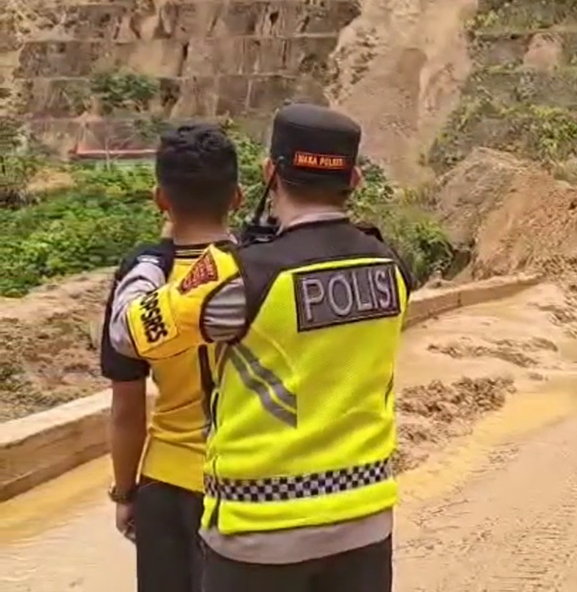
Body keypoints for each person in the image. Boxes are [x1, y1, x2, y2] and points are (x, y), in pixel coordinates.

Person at [108, 103, 414, 592]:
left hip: (260, 530)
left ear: (271, 171)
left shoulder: (242, 276)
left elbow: (132, 330)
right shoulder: (390, 267)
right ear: (354, 179)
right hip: (366, 519)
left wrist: (147, 264)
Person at [101, 123, 241, 592]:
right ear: (238, 197)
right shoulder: (261, 269)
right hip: (241, 483)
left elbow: (126, 406)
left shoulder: (140, 281)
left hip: (164, 485)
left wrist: (125, 492)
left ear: (161, 198)